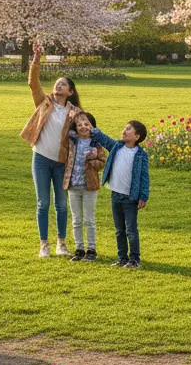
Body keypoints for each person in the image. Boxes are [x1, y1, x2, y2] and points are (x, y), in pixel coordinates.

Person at [20, 41, 81, 258]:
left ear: (70, 91)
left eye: (63, 84)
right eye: (57, 83)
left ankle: (61, 244)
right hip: (41, 159)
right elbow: (33, 83)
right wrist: (36, 60)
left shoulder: (75, 112)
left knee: (61, 205)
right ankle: (43, 244)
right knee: (43, 203)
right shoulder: (43, 103)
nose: (58, 86)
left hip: (62, 162)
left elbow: (86, 133)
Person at [89, 120, 150, 268]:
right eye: (124, 128)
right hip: (115, 195)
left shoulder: (140, 155)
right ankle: (122, 258)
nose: (124, 130)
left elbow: (144, 176)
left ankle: (134, 260)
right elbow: (104, 139)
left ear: (137, 136)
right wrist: (92, 128)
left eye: (128, 129)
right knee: (119, 230)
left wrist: (143, 196)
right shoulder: (117, 147)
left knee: (131, 230)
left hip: (130, 198)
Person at [63, 111, 106, 262]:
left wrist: (92, 158)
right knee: (76, 219)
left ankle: (91, 250)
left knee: (89, 219)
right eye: (79, 124)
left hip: (89, 187)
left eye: (86, 124)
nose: (83, 127)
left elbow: (101, 164)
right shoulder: (71, 142)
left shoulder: (97, 144)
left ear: (92, 126)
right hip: (73, 186)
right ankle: (79, 249)